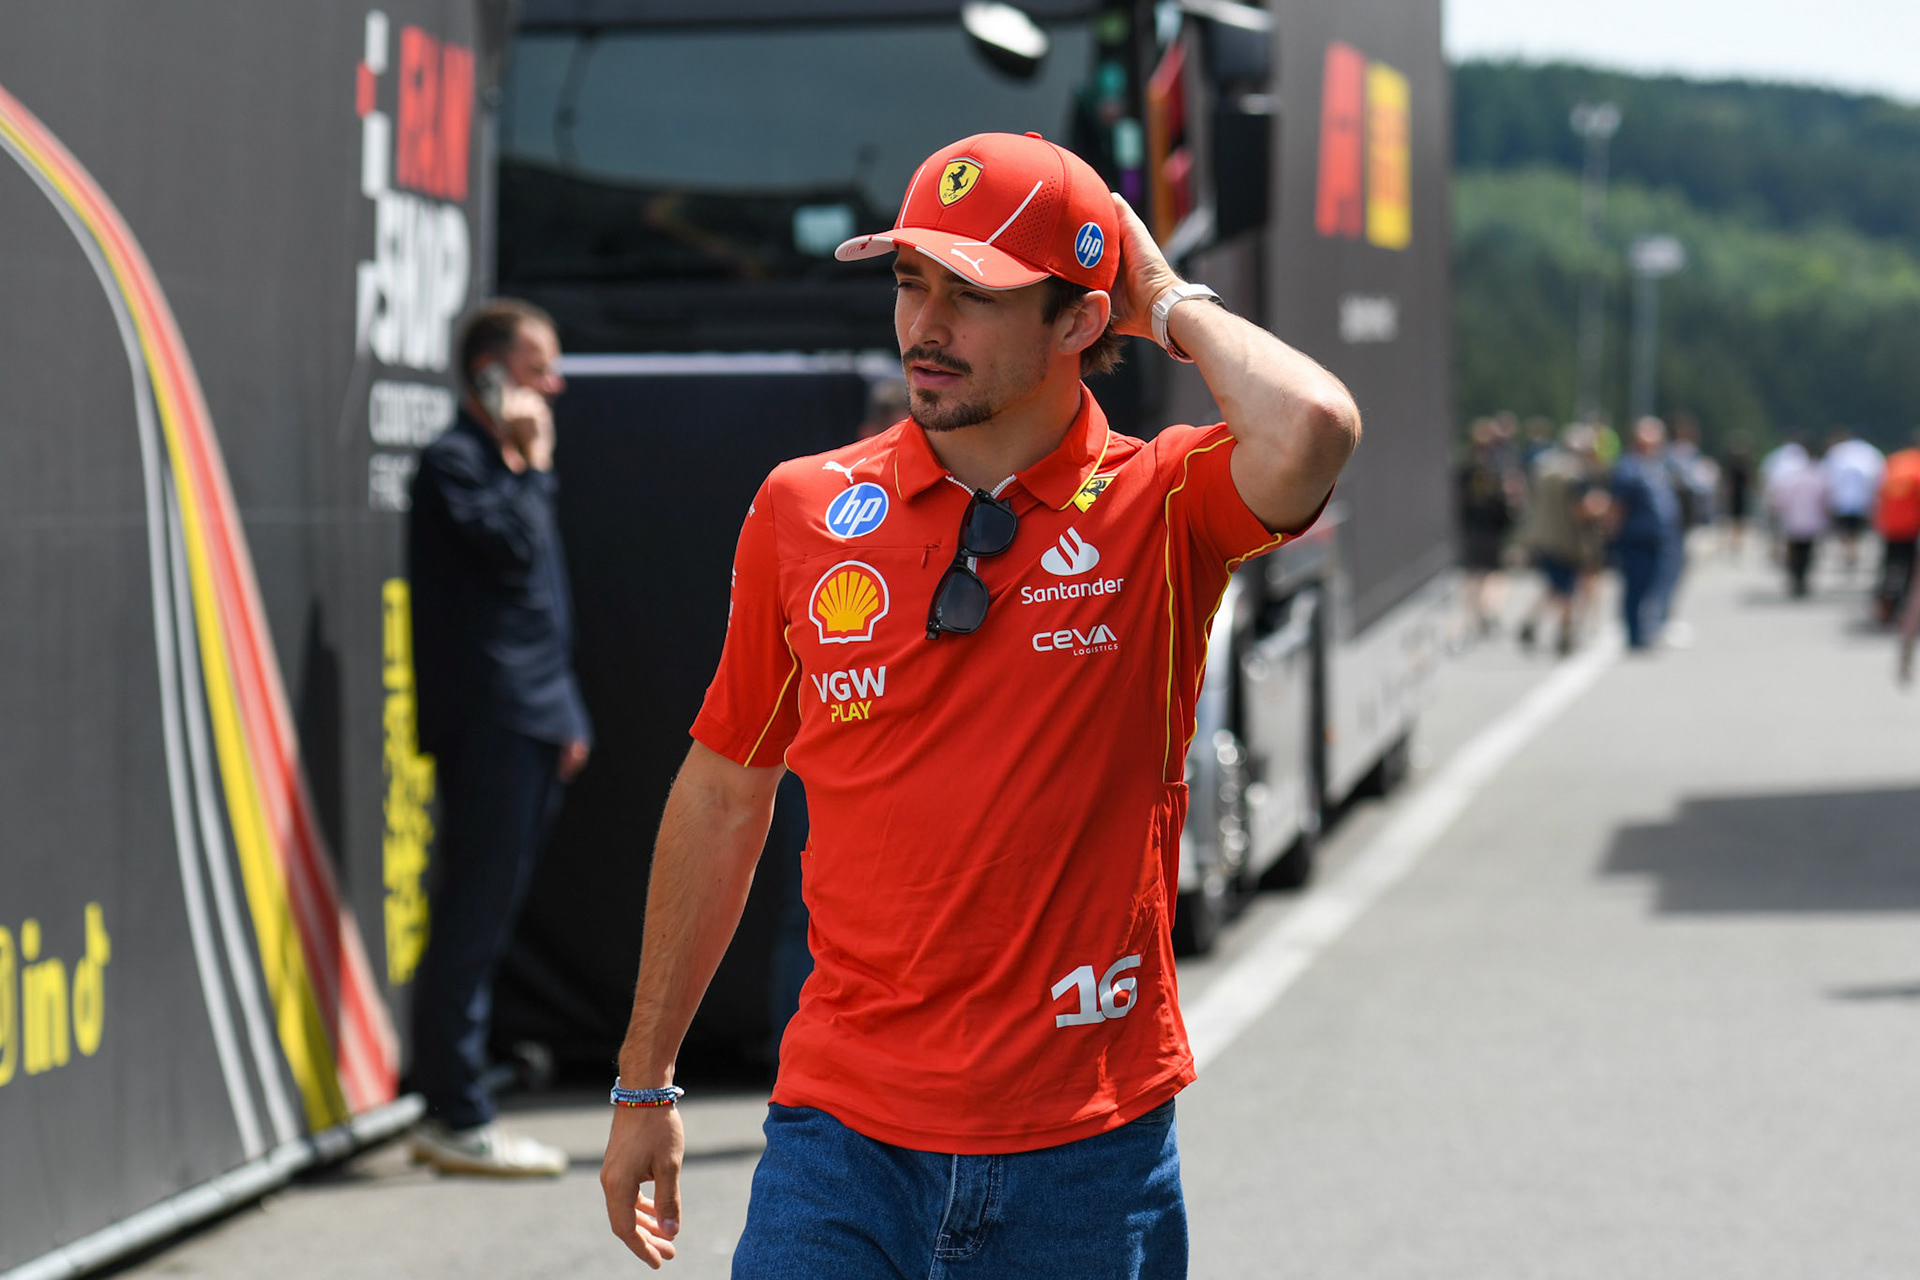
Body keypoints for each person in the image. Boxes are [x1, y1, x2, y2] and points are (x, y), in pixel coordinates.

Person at [597, 131, 1358, 1274]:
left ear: (1079, 321)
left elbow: (1312, 427)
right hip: (841, 1141)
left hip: (1085, 1156)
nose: (923, 325)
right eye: (911, 280)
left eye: (975, 292)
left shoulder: (1158, 503)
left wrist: (1167, 296)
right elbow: (722, 793)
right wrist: (644, 1079)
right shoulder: (803, 506)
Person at [406, 299, 593, 1176]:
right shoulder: (457, 463)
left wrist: (566, 715)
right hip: (489, 722)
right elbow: (514, 556)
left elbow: (539, 605)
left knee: (491, 915)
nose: (550, 387)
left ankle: (462, 1090)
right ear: (486, 372)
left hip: (534, 717)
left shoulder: (505, 465)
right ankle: (454, 1111)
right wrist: (531, 462)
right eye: (533, 368)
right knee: (472, 917)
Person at [1516, 424, 1605, 656]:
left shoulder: (1545, 468)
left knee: (1554, 587)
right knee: (1566, 590)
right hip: (1568, 540)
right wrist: (1600, 508)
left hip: (1543, 537)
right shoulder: (1577, 475)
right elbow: (1582, 509)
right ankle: (1564, 635)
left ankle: (1532, 622)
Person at [1609, 417, 1681, 650]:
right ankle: (1634, 634)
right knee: (1636, 587)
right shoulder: (1628, 467)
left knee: (1658, 585)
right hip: (1636, 538)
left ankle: (1651, 628)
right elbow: (1618, 506)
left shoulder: (1659, 465)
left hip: (1661, 538)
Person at [1456, 416, 1519, 637]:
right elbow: (1506, 498)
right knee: (1494, 574)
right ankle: (1487, 610)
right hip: (1492, 525)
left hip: (1473, 525)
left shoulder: (1466, 466)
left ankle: (1476, 615)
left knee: (1474, 573)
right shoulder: (1496, 467)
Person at [1822, 428, 1884, 575]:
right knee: (1856, 530)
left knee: (1845, 530)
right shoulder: (1871, 452)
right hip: (1863, 500)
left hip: (1841, 500)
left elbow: (1827, 476)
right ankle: (1852, 551)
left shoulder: (1838, 452)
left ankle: (1848, 551)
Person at [1771, 440, 1829, 598]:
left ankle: (1796, 578)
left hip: (1793, 520)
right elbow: (1824, 498)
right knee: (1808, 553)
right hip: (1811, 521)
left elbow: (1781, 499)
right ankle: (1803, 579)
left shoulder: (1790, 477)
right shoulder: (1817, 475)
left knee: (1795, 552)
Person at [1874, 432, 1920, 625]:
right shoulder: (1917, 466)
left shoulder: (1892, 462)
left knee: (1890, 566)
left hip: (1890, 525)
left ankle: (1886, 604)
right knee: (1910, 570)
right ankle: (1908, 609)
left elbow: (1879, 493)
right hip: (1911, 527)